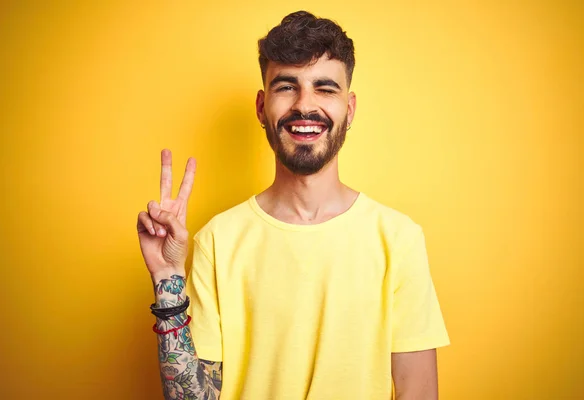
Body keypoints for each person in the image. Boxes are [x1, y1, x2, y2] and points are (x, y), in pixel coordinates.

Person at [137, 10, 450, 400]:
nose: (305, 105)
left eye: (325, 88)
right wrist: (168, 278)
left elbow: (418, 394)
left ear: (349, 110)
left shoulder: (398, 239)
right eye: (287, 86)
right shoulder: (217, 240)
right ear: (260, 107)